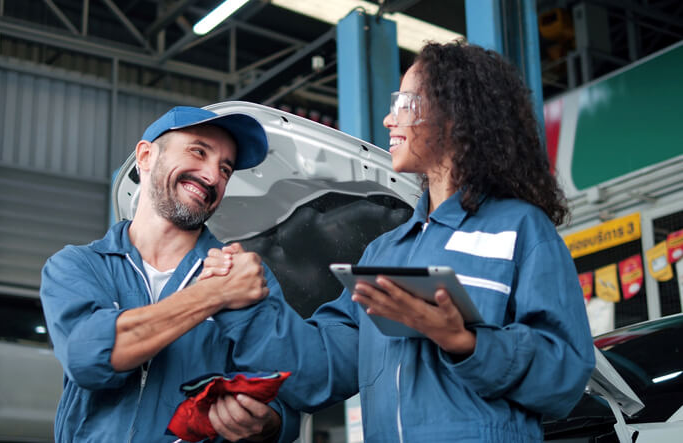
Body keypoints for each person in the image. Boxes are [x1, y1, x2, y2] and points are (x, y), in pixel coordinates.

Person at [205, 42, 595, 442]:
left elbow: (564, 375)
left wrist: (463, 341)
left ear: (455, 115)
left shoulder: (520, 231)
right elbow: (319, 368)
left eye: (406, 104)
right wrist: (249, 303)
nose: (390, 119)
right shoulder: (383, 253)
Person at [39, 106, 299, 442]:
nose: (211, 177)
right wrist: (213, 295)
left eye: (225, 168)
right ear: (146, 156)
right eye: (198, 151)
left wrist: (269, 422)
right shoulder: (79, 266)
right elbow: (88, 358)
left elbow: (287, 394)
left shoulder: (245, 275)